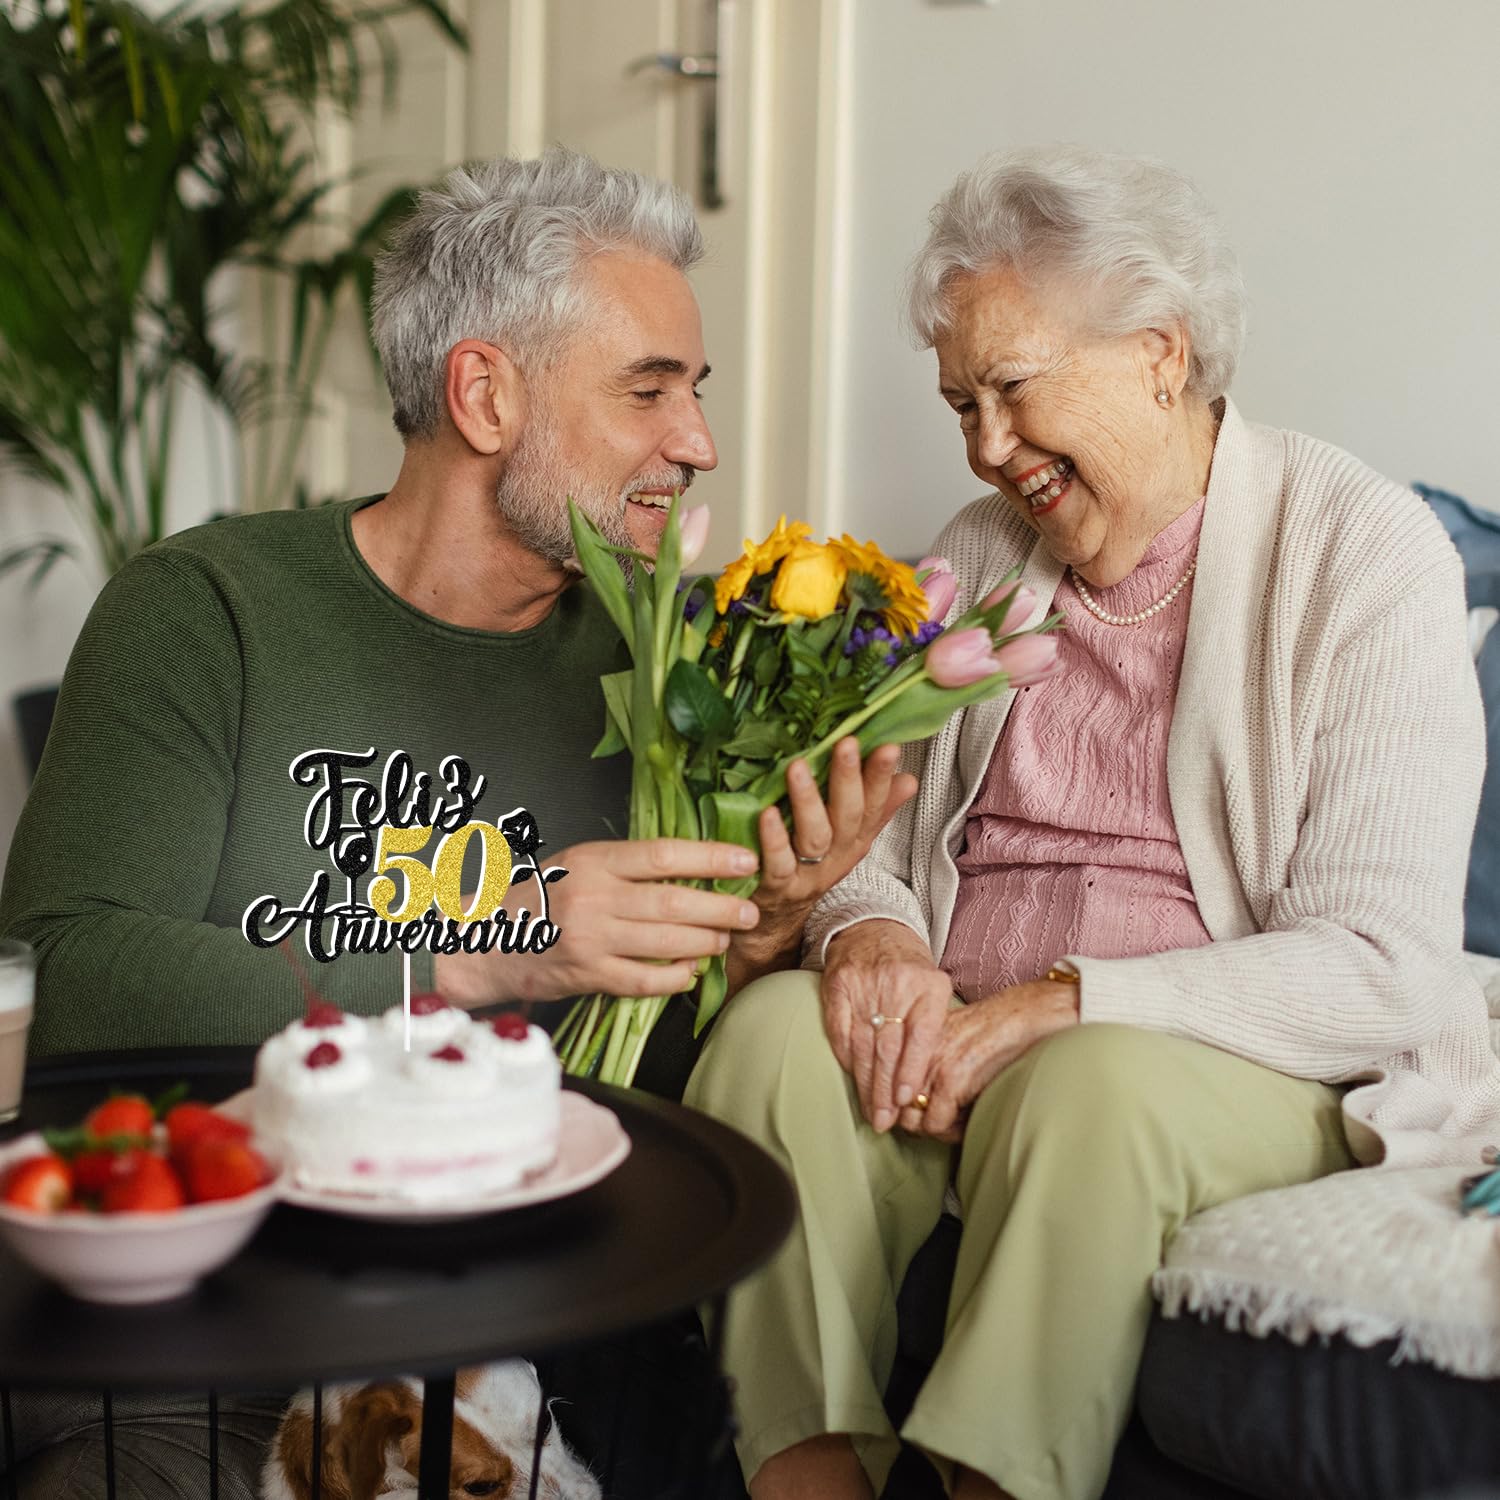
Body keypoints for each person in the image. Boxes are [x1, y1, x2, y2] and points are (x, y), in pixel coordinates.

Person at [0, 149, 911, 1498]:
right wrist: (489, 941)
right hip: (211, 1337)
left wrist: (773, 928)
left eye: (695, 394)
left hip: (543, 1350)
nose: (699, 442)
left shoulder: (680, 666)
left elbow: (663, 1082)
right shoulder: (209, 611)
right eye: (647, 390)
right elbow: (71, 968)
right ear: (485, 393)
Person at [684, 144, 1500, 1500]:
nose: (985, 448)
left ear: (1161, 355)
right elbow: (863, 847)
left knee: (1088, 1085)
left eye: (1010, 390)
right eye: (959, 404)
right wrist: (872, 934)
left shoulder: (1364, 553)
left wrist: (1071, 999)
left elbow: (1384, 961)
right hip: (954, 1035)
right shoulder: (981, 552)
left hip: (1201, 1062)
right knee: (772, 1036)